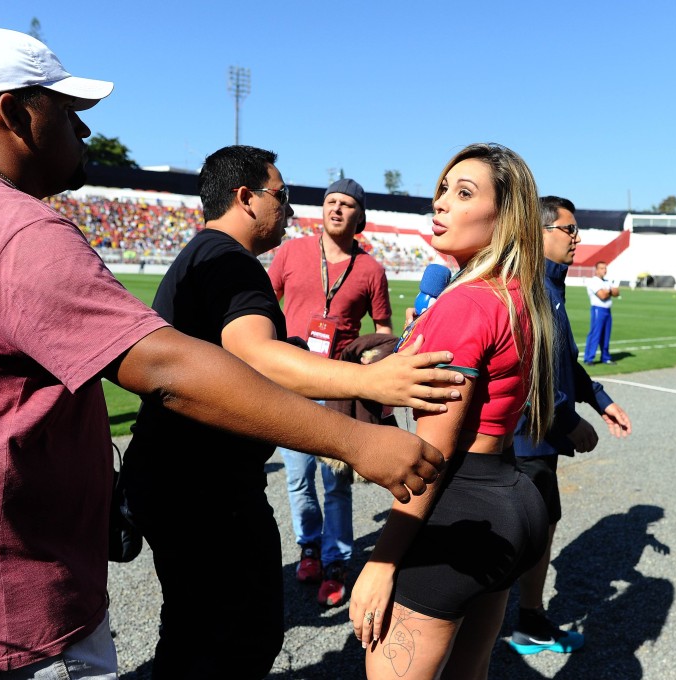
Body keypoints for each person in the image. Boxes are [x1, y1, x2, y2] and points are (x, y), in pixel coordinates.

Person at [0, 27, 448, 678]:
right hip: (8, 603)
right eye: (67, 111)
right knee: (218, 647)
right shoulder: (12, 228)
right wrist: (359, 440)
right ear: (15, 114)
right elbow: (166, 368)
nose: (83, 131)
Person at [120, 146, 464, 679]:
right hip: (208, 490)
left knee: (193, 631)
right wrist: (368, 380)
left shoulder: (203, 255)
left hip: (174, 480)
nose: (289, 208)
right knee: (237, 639)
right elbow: (254, 353)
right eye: (280, 196)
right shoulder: (232, 261)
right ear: (245, 198)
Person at [349, 142, 556, 680]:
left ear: (503, 216)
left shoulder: (466, 301)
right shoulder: (516, 295)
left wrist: (383, 559)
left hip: (462, 508)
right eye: (442, 190)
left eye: (463, 193)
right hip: (511, 496)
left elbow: (432, 454)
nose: (440, 203)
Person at [508, 196, 632, 656]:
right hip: (523, 439)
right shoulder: (528, 287)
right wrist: (568, 420)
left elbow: (565, 363)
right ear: (540, 232)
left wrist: (600, 400)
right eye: (569, 229)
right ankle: (480, 635)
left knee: (540, 529)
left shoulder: (552, 286)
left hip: (542, 438)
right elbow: (530, 370)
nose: (577, 238)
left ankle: (529, 620)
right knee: (514, 537)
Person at [268, 178, 394, 606]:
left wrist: (375, 361)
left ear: (360, 216)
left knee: (336, 481)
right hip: (291, 381)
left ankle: (336, 559)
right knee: (299, 476)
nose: (337, 209)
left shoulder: (372, 269)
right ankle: (308, 546)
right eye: (331, 202)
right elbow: (265, 305)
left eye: (347, 204)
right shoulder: (290, 252)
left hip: (338, 386)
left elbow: (383, 331)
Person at [584, 260, 620, 364]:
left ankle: (605, 357)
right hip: (598, 310)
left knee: (606, 335)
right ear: (596, 270)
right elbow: (602, 295)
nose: (605, 270)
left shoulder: (606, 281)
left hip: (607, 310)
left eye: (605, 268)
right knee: (595, 333)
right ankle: (589, 358)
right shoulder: (593, 281)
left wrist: (608, 291)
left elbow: (617, 292)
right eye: (602, 268)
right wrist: (610, 291)